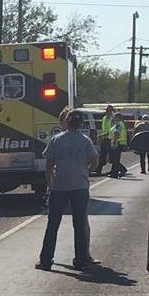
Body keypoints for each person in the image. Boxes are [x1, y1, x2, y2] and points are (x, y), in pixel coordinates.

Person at [37, 109, 98, 270]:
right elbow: (95, 160)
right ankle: (81, 259)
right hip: (80, 187)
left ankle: (46, 260)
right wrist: (86, 171)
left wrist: (50, 183)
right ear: (81, 124)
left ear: (67, 122)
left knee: (53, 224)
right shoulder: (85, 141)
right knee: (79, 224)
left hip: (59, 187)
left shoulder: (56, 140)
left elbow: (49, 164)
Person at [99, 107, 129, 175]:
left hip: (118, 142)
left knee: (114, 158)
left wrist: (114, 142)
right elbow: (111, 131)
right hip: (116, 142)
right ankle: (114, 171)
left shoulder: (118, 124)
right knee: (114, 158)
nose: (113, 118)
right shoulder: (118, 123)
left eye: (114, 117)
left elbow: (116, 133)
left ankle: (117, 172)